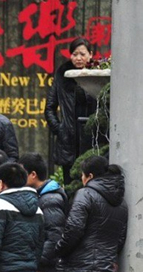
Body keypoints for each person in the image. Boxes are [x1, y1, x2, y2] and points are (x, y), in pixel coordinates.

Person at [45, 37, 97, 184]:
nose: (78, 58)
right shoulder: (62, 75)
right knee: (70, 185)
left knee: (91, 183)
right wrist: (60, 129)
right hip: (69, 140)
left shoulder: (97, 73)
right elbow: (49, 108)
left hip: (91, 139)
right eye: (75, 54)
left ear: (90, 54)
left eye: (82, 54)